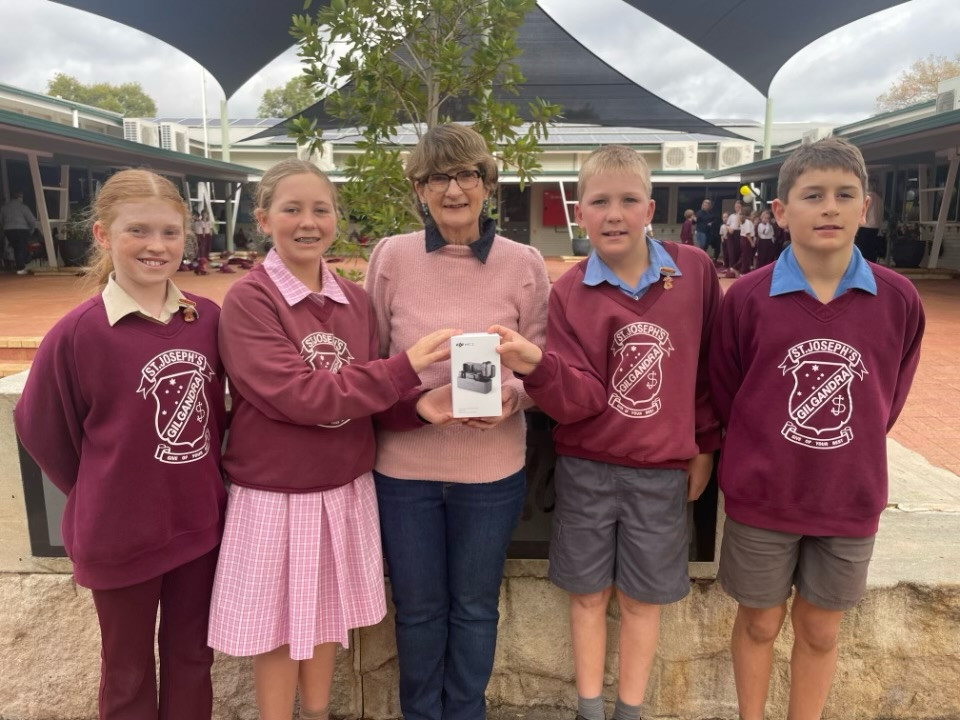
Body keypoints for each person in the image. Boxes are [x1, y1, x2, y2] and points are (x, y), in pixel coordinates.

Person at [207, 158, 456, 720]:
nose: (308, 222)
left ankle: (317, 714)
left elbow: (367, 398)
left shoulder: (354, 298)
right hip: (274, 492)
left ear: (336, 219)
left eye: (321, 209)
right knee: (275, 630)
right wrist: (403, 368)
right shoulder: (251, 299)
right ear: (264, 219)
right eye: (291, 209)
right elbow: (298, 395)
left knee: (323, 620)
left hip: (341, 485)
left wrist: (419, 406)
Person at [490, 145, 721, 720]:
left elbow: (711, 367)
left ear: (649, 208)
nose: (613, 213)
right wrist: (535, 364)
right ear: (580, 213)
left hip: (662, 469)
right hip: (587, 469)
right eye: (599, 202)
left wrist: (705, 444)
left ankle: (630, 709)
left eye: (627, 200)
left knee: (643, 600)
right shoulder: (569, 293)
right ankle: (588, 707)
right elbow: (579, 398)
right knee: (588, 594)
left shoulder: (693, 272)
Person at [708, 138, 924, 720]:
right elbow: (728, 391)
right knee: (758, 621)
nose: (829, 208)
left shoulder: (898, 298)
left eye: (843, 195)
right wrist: (759, 449)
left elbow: (888, 396)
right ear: (781, 212)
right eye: (812, 196)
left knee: (822, 630)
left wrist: (849, 449)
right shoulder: (748, 299)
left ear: (865, 207)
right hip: (763, 495)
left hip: (848, 496)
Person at [14, 169, 227, 720]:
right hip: (118, 534)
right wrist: (104, 488)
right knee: (127, 673)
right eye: (138, 231)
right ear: (104, 236)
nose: (156, 246)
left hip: (198, 526)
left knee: (192, 659)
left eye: (170, 233)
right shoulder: (79, 332)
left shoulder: (208, 320)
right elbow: (41, 428)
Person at [364, 123, 550, 720]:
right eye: (436, 177)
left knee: (474, 606)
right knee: (417, 609)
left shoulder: (523, 263)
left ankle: (466, 711)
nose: (452, 189)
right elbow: (373, 362)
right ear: (419, 189)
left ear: (486, 184)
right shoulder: (390, 257)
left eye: (466, 174)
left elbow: (540, 363)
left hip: (491, 471)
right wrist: (415, 403)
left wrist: (513, 399)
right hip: (404, 470)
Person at [1, 190, 38, 274]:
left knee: (17, 248)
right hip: (22, 230)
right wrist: (31, 231)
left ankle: (20, 265)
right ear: (20, 197)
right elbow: (32, 221)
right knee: (21, 248)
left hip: (8, 230)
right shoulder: (23, 207)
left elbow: (1, 221)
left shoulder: (4, 208)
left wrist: (5, 229)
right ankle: (21, 267)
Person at [855, 182, 884, 262]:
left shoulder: (867, 197)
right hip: (875, 227)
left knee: (860, 250)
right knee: (871, 250)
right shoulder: (879, 199)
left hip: (865, 227)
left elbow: (862, 213)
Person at [723, 201, 742, 277]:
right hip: (731, 233)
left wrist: (739, 214)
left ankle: (736, 267)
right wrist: (729, 228)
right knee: (731, 251)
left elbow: (739, 223)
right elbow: (726, 225)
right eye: (736, 206)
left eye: (738, 207)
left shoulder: (742, 216)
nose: (737, 208)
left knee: (738, 250)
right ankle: (731, 267)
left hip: (739, 232)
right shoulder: (731, 216)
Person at [738, 210, 757, 274]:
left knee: (747, 256)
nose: (754, 216)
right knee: (745, 256)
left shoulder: (748, 222)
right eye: (752, 215)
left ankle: (745, 270)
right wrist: (752, 243)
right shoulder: (748, 222)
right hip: (746, 239)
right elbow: (748, 234)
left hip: (745, 239)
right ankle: (743, 271)